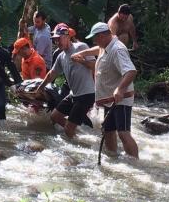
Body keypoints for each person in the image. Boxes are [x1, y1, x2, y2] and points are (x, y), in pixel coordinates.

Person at [73, 22, 138, 158]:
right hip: (109, 99)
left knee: (123, 133)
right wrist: (83, 53)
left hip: (121, 99)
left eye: (95, 38)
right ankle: (113, 157)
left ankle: (135, 162)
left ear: (102, 36)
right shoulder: (106, 46)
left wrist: (120, 89)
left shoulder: (117, 49)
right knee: (108, 130)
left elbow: (131, 71)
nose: (94, 41)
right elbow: (97, 49)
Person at [37, 23, 96, 138]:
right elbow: (52, 74)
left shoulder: (81, 47)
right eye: (55, 40)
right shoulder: (61, 56)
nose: (57, 42)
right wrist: (41, 87)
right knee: (55, 117)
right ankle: (77, 133)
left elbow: (95, 65)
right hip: (73, 94)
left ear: (68, 37)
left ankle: (74, 140)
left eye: (59, 39)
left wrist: (82, 61)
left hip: (86, 95)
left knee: (68, 128)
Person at [0, 38, 23, 121]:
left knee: (0, 106)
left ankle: (1, 129)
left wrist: (19, 84)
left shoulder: (3, 53)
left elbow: (12, 69)